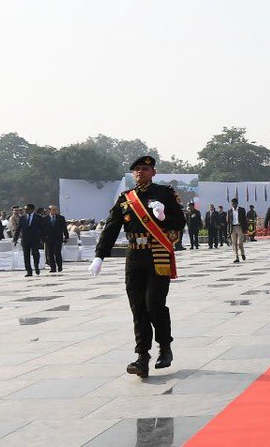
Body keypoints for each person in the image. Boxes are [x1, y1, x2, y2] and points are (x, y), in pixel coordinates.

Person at [90, 156, 186, 379]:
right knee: (137, 307)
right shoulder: (126, 198)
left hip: (157, 253)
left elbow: (180, 222)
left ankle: (165, 347)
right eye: (137, 170)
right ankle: (142, 357)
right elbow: (112, 227)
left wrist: (163, 216)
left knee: (154, 305)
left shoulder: (164, 193)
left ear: (153, 172)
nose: (140, 172)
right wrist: (100, 255)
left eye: (145, 169)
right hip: (134, 255)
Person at [15, 203, 46, 276]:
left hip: (35, 239)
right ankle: (29, 271)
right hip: (25, 239)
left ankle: (36, 266)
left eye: (27, 209)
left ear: (32, 210)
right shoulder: (22, 218)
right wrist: (15, 238)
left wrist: (43, 238)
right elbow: (18, 228)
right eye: (25, 209)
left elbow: (43, 229)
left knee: (35, 254)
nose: (25, 211)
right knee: (26, 256)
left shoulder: (39, 218)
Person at [45, 205, 68, 273]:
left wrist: (66, 236)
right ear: (49, 210)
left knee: (57, 252)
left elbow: (64, 228)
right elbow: (43, 229)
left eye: (56, 210)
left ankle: (59, 266)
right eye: (54, 210)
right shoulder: (45, 218)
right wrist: (43, 237)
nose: (55, 211)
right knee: (50, 253)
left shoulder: (61, 218)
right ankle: (53, 268)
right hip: (49, 239)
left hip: (58, 238)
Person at [228, 197, 248, 263]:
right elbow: (229, 222)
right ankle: (236, 257)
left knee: (240, 243)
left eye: (234, 203)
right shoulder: (229, 211)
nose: (233, 205)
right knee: (234, 243)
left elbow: (245, 220)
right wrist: (228, 231)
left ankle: (242, 253)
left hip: (240, 227)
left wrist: (246, 229)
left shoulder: (242, 210)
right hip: (233, 228)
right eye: (232, 203)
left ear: (237, 203)